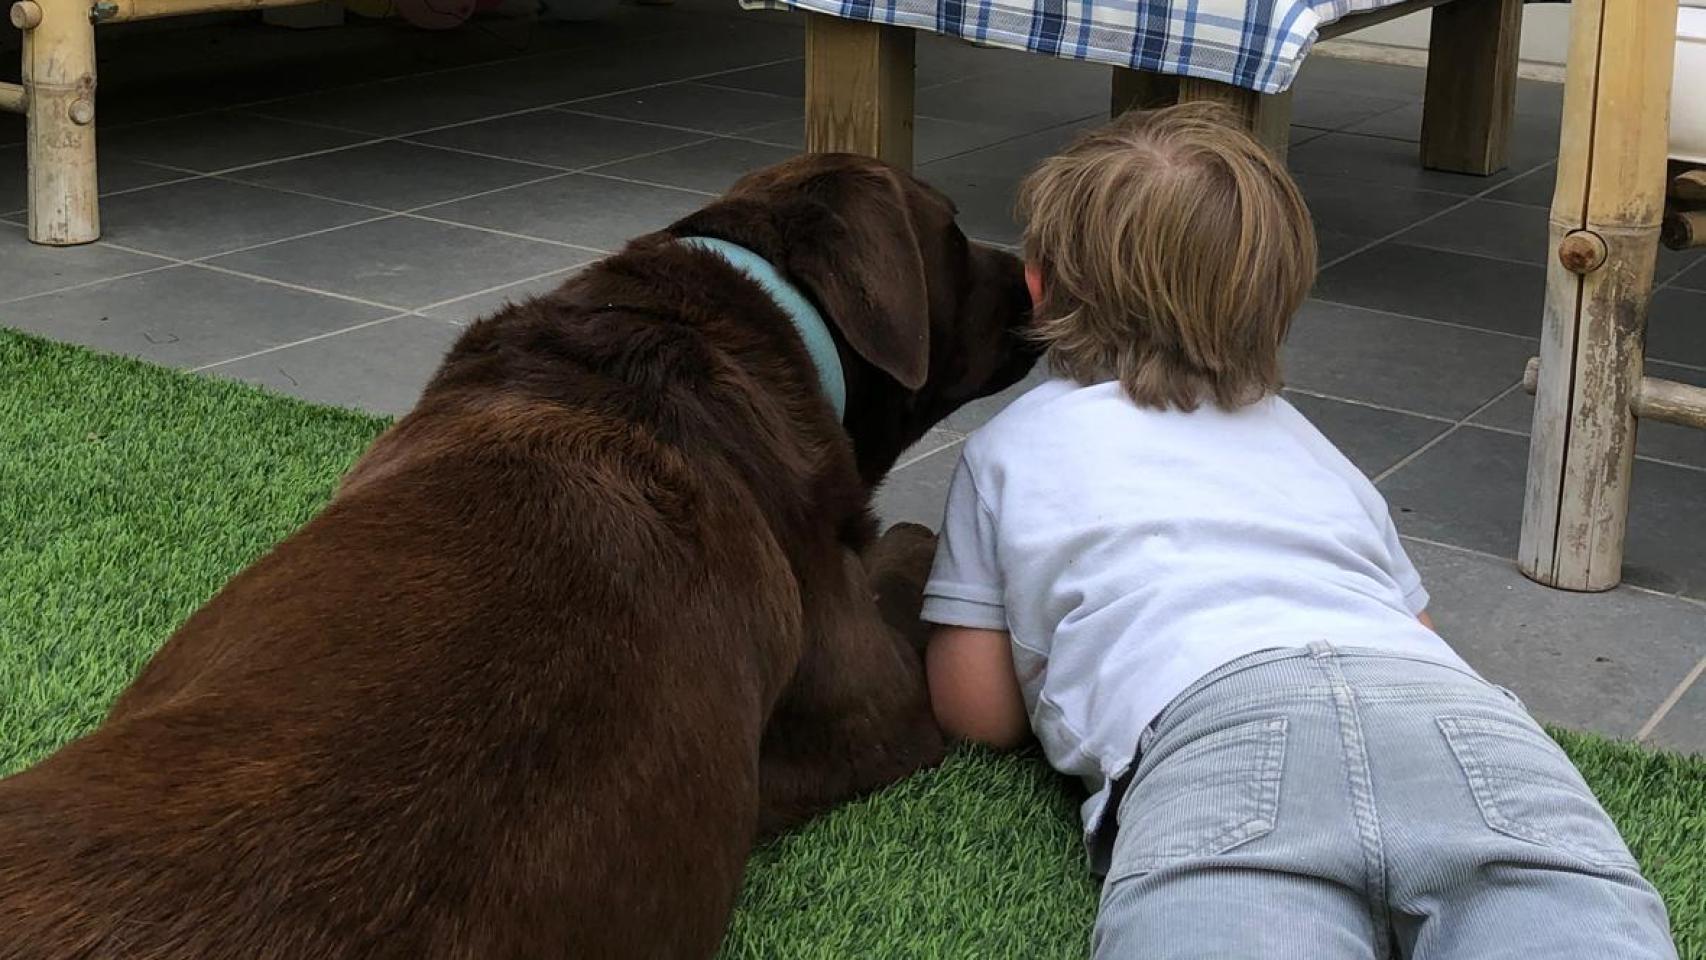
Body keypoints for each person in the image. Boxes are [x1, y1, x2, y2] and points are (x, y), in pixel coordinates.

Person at [919, 102, 1678, 960]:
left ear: (1038, 283)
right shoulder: (1314, 448)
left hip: (1216, 734)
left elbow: (978, 710)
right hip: (1464, 726)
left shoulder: (1009, 447)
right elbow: (1415, 628)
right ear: (1281, 297)